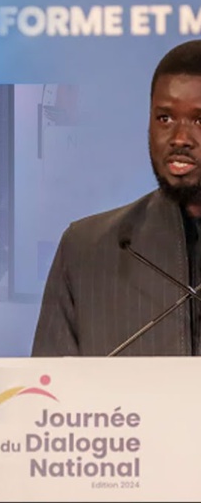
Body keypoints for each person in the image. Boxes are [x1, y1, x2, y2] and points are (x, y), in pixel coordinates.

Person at [32, 39, 201, 357]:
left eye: (199, 120)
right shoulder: (85, 249)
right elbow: (49, 383)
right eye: (165, 118)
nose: (180, 138)